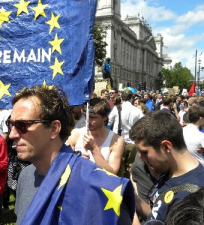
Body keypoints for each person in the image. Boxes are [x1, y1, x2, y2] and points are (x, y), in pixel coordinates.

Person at [8, 85, 135, 225]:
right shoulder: (25, 176)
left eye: (22, 125)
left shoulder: (99, 188)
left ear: (53, 129)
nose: (12, 134)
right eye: (11, 124)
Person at [129, 110, 204, 223]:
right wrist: (132, 198)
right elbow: (157, 214)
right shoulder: (169, 172)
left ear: (166, 147)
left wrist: (132, 217)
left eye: (145, 152)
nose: (142, 159)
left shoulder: (194, 198)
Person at [67, 97, 124, 175]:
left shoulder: (116, 140)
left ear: (105, 117)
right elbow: (63, 162)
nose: (88, 121)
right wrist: (76, 159)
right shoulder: (76, 134)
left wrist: (94, 149)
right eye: (86, 116)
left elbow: (112, 173)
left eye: (93, 117)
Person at [118, 90, 144, 178]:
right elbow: (143, 124)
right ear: (131, 98)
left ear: (122, 98)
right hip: (133, 141)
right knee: (131, 166)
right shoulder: (137, 111)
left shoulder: (118, 110)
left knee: (120, 166)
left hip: (120, 139)